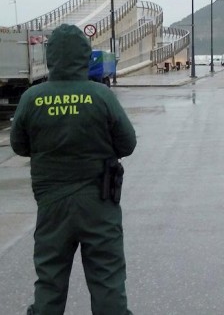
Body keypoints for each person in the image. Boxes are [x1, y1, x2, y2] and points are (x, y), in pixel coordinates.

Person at [10, 24, 136, 315]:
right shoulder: (100, 95)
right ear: (84, 56)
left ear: (50, 56)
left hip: (52, 201)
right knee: (107, 279)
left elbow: (19, 146)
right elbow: (127, 144)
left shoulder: (32, 98)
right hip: (99, 200)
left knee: (50, 278)